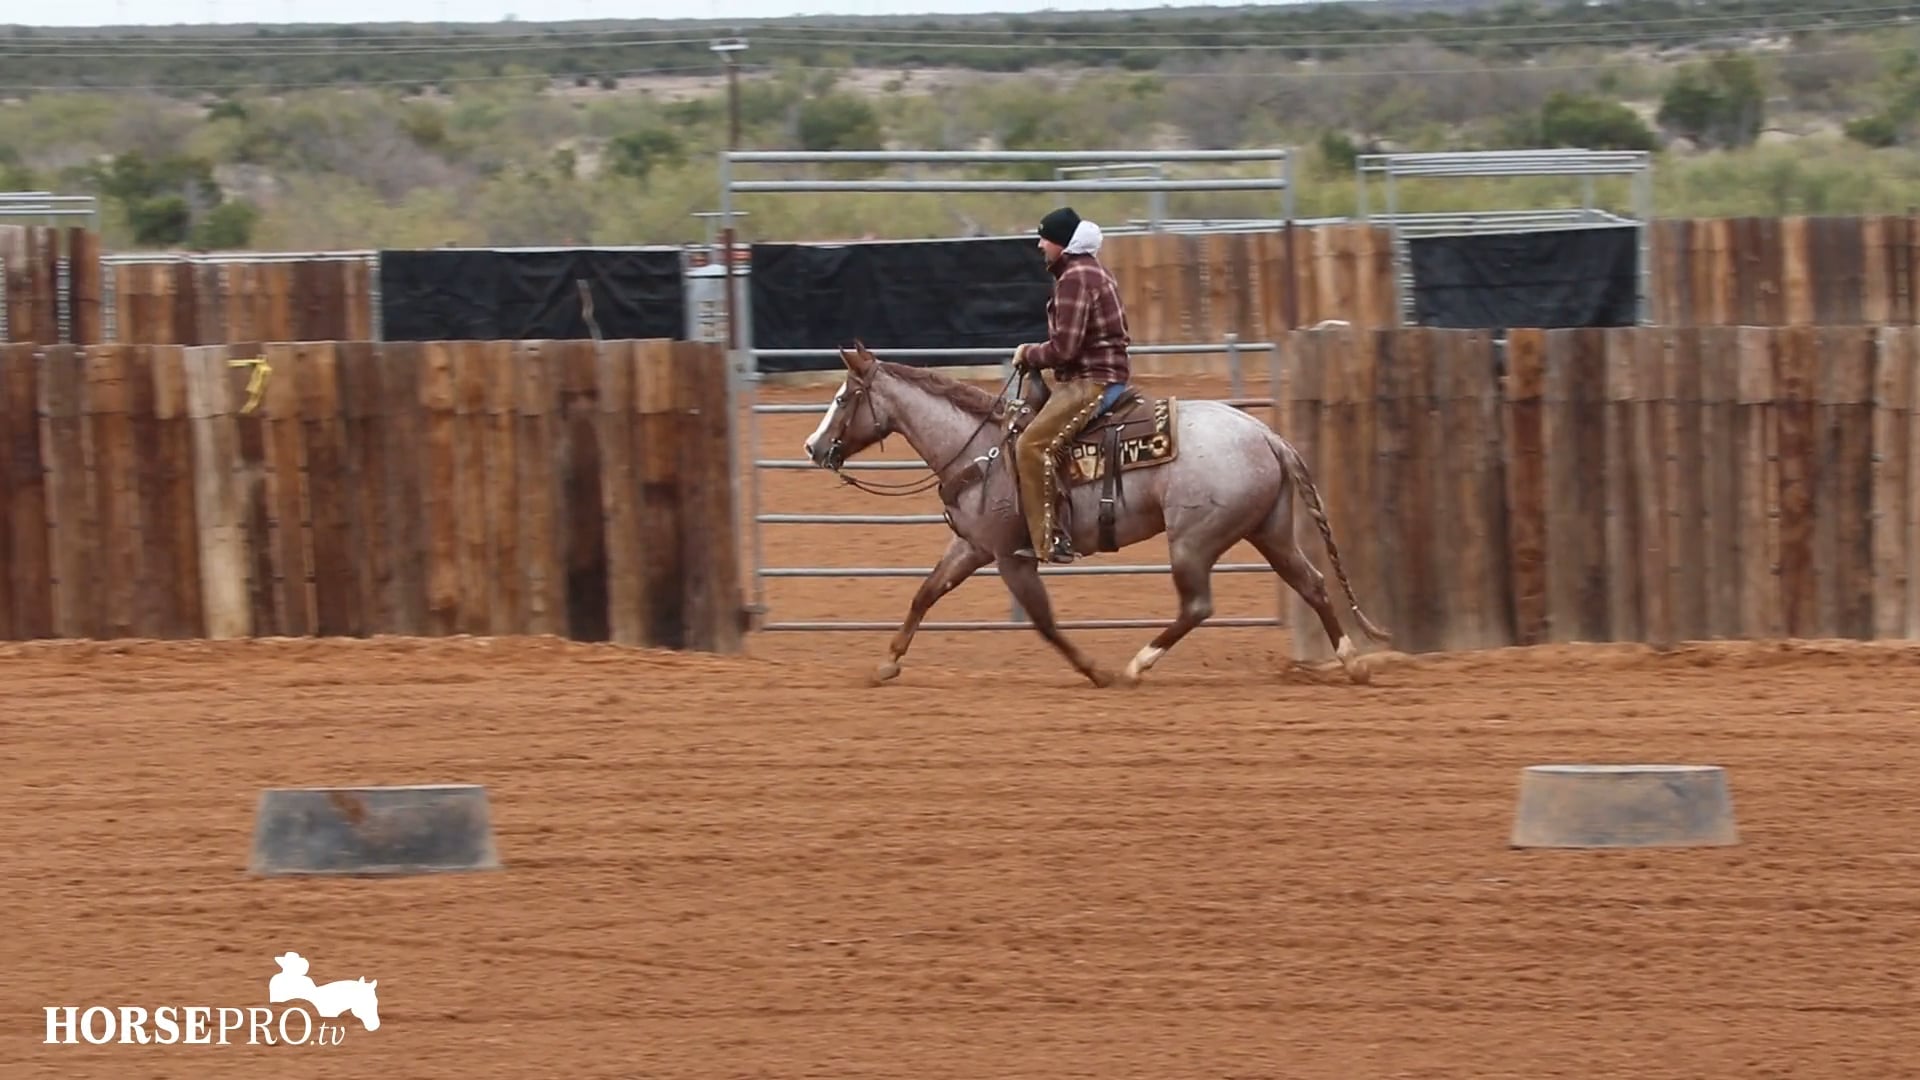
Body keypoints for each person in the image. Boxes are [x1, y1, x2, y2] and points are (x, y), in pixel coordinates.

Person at [1011, 206, 1133, 564]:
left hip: (1092, 381)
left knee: (1031, 446)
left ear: (1062, 243)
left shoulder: (1074, 279)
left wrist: (1028, 353)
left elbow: (1064, 349)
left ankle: (1050, 539)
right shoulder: (1091, 270)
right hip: (1103, 374)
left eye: (1044, 238)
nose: (1039, 245)